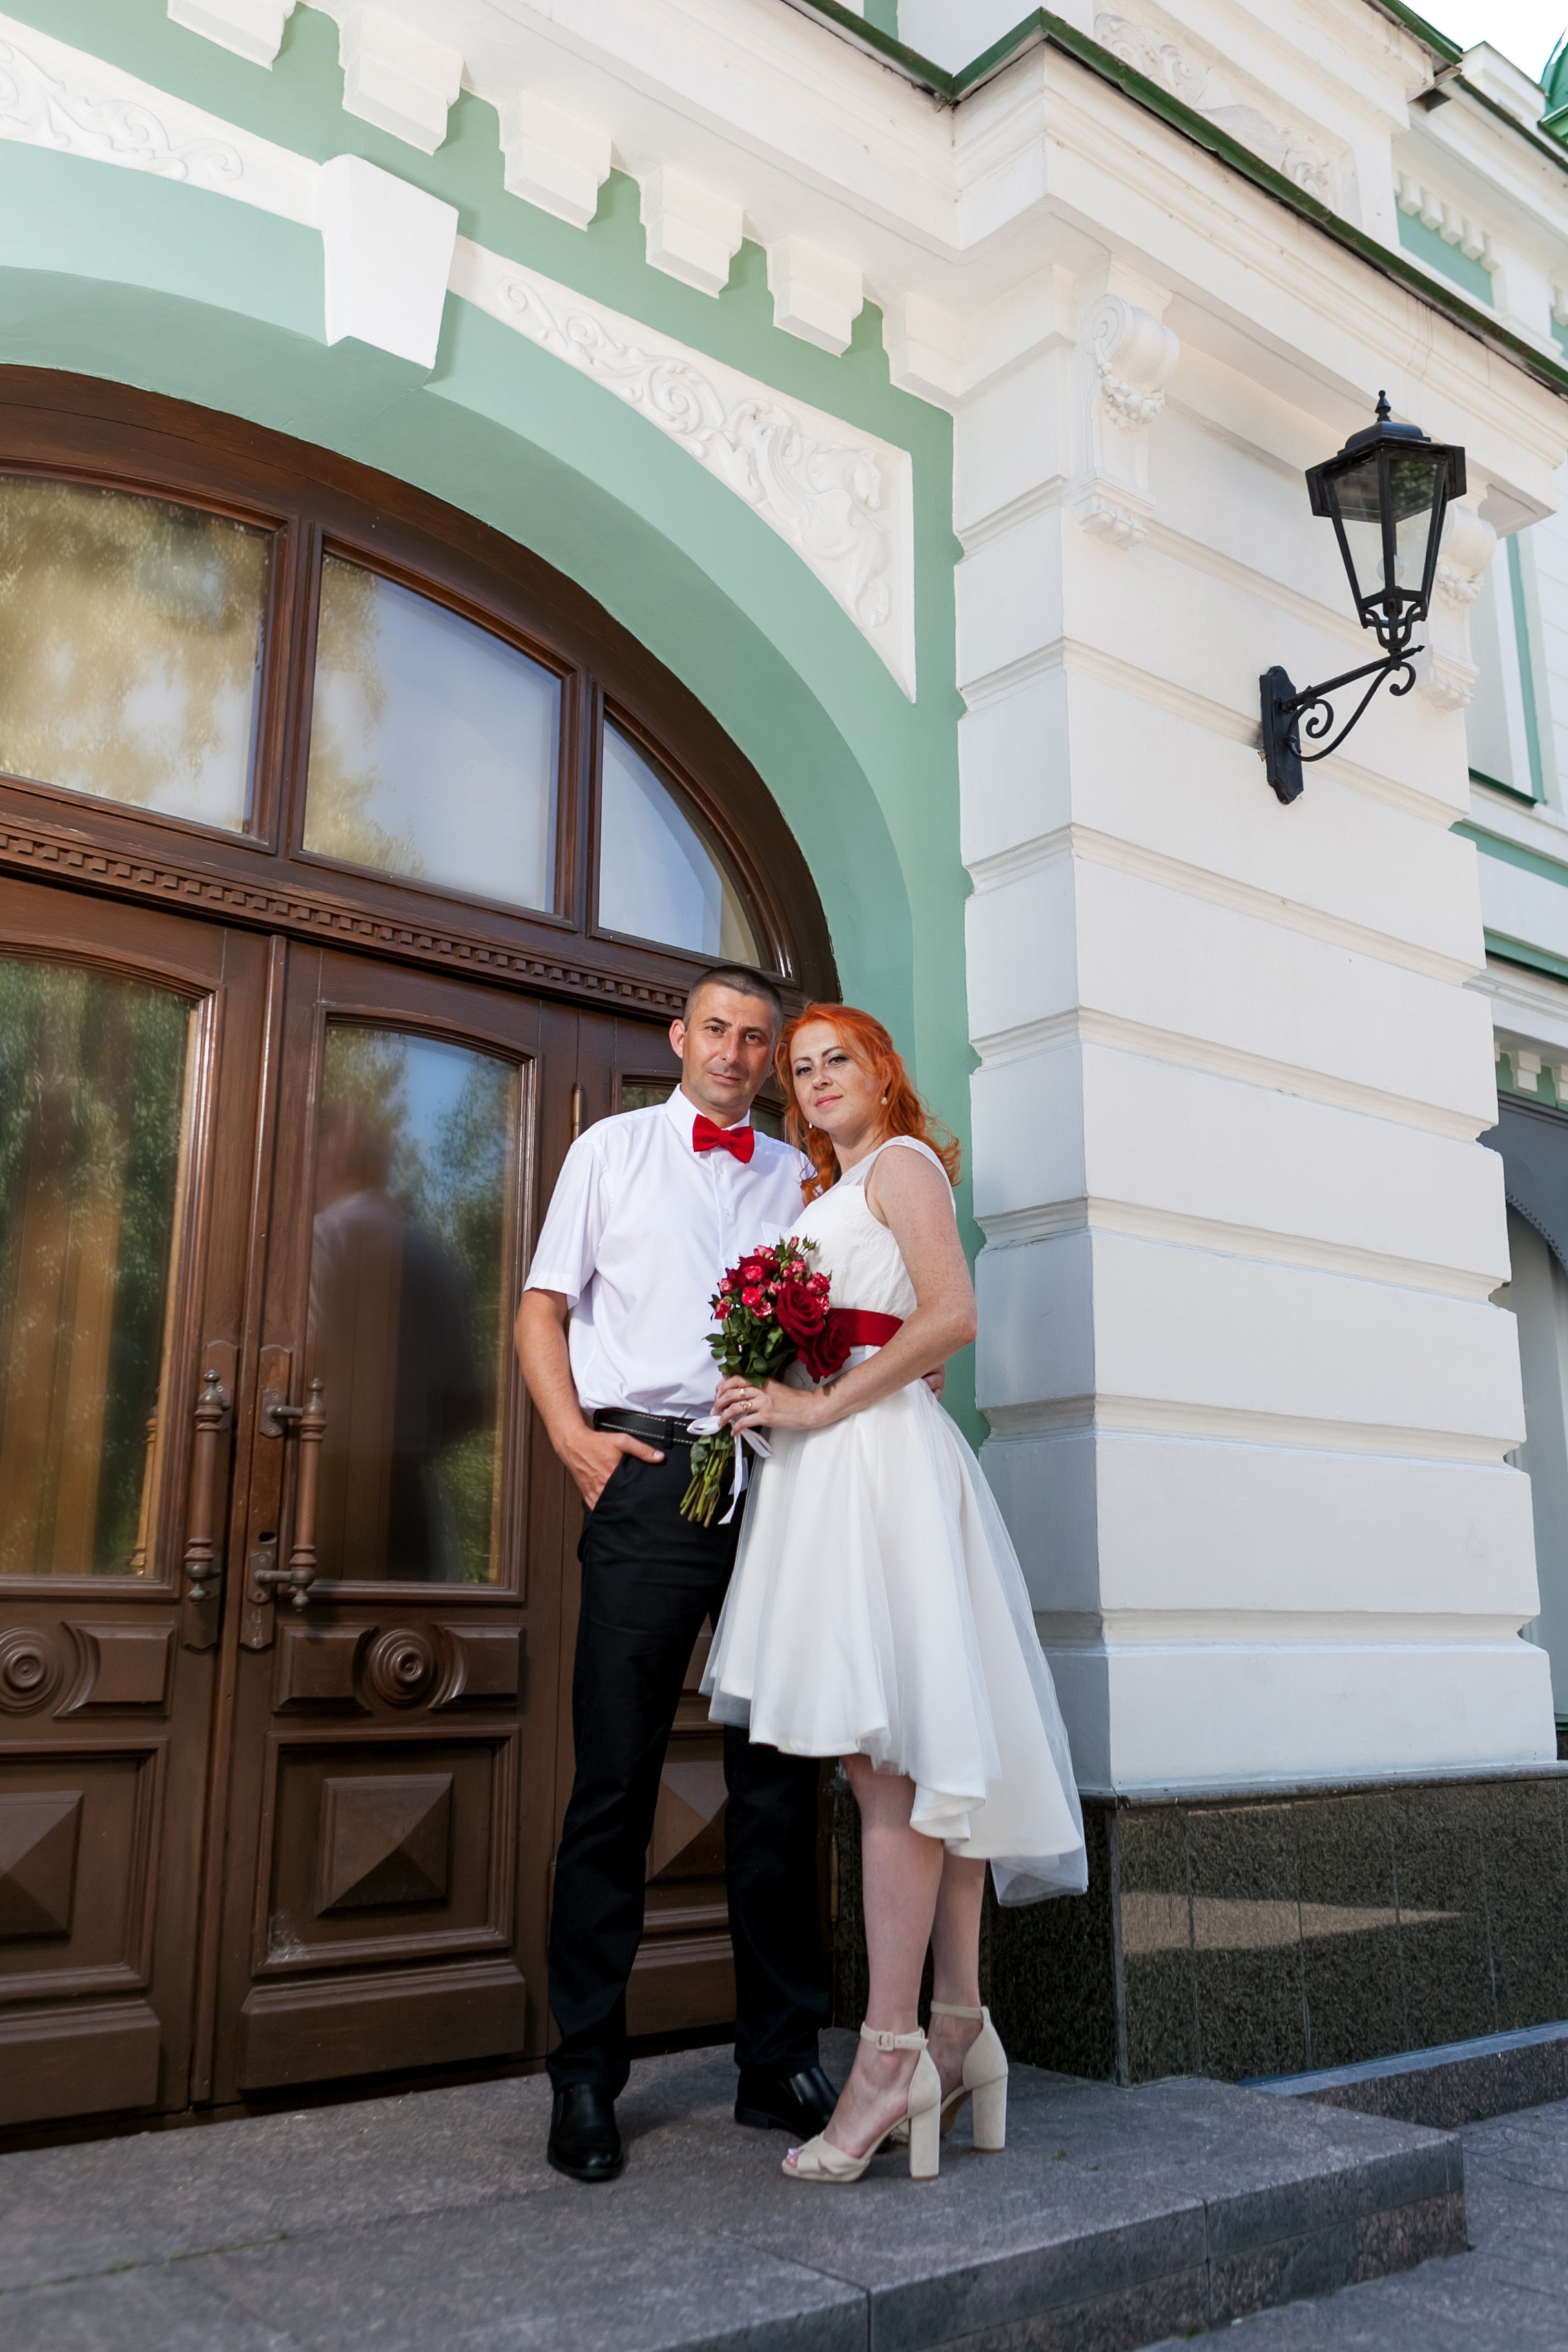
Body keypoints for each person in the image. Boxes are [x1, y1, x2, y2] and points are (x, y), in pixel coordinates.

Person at [703, 1004, 1086, 2184]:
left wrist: (814, 1402)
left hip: (878, 1467)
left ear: (884, 1073)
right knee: (921, 1753)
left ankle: (888, 2054)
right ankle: (961, 2025)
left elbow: (951, 1316)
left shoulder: (908, 1163)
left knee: (893, 1776)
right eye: (802, 1067)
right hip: (835, 1471)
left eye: (838, 1061)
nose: (816, 1079)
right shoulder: (839, 1184)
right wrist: (765, 1375)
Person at [515, 967, 836, 2185]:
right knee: (617, 1777)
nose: (739, 1052)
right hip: (647, 1476)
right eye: (720, 1030)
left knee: (776, 1780)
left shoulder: (801, 1179)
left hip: (773, 1485)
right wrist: (573, 1439)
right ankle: (587, 2075)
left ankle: (778, 2060)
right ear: (679, 1038)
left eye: (760, 1038)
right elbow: (543, 1308)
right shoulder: (610, 1150)